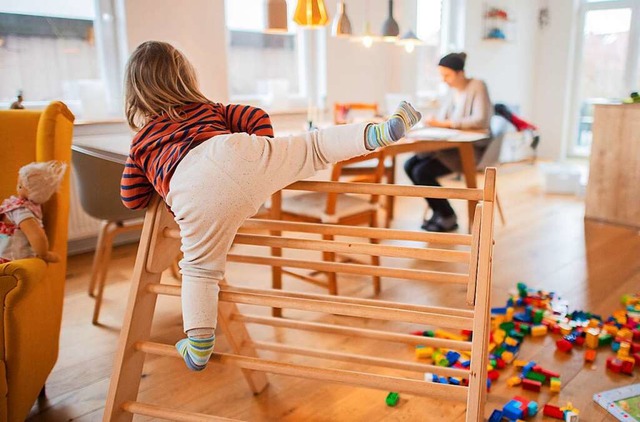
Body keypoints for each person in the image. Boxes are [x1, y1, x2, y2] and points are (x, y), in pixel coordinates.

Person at [120, 41, 421, 371]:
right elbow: (256, 116)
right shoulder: (210, 109)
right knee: (315, 148)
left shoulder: (142, 141)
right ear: (186, 78)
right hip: (235, 149)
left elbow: (132, 199)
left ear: (135, 93)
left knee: (200, 270)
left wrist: (154, 176)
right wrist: (265, 155)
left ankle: (199, 345)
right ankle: (379, 131)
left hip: (189, 189)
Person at [404, 52, 492, 232]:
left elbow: (481, 120)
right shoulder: (454, 92)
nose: (444, 80)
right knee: (409, 164)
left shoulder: (477, 86)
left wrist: (445, 123)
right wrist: (433, 120)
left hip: (468, 151)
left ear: (460, 73)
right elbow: (443, 117)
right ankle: (440, 212)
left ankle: (447, 215)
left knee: (421, 172)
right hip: (449, 148)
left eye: (447, 75)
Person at [0, 161, 67, 264]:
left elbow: (36, 235)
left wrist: (44, 254)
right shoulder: (20, 207)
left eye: (20, 186)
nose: (17, 187)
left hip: (10, 259)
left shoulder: (21, 211)